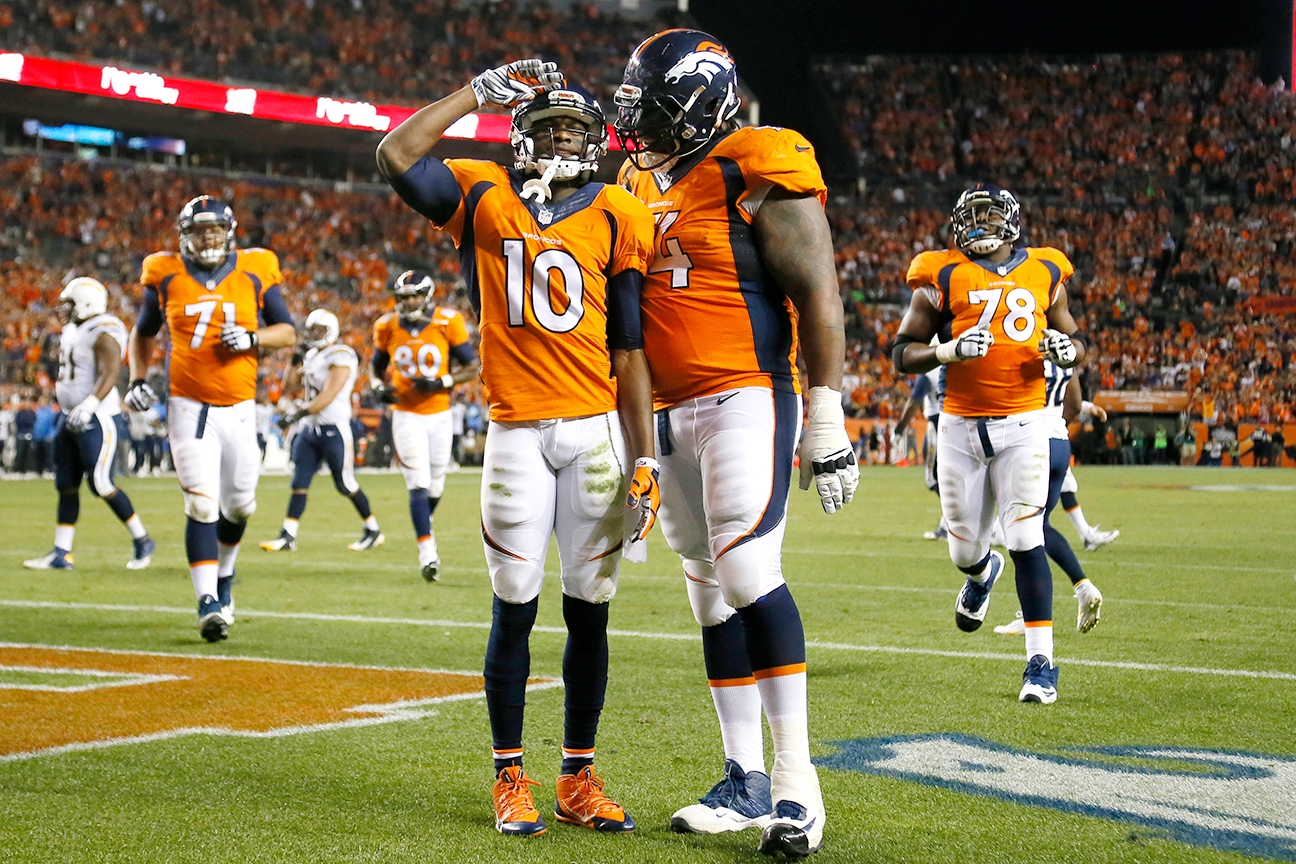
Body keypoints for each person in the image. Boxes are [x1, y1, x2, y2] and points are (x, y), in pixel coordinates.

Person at [378, 62, 660, 837]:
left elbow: (630, 350)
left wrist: (645, 458)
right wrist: (476, 91)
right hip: (515, 432)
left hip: (596, 430)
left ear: (598, 143)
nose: (562, 142)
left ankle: (577, 773)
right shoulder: (483, 193)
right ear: (520, 139)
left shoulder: (619, 213)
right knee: (513, 611)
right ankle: (509, 773)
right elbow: (396, 154)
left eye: (575, 131)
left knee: (590, 614)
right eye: (547, 130)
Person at [614, 30, 858, 859]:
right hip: (665, 410)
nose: (640, 127)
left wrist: (825, 412)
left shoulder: (760, 161)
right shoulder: (637, 176)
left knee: (749, 570)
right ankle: (743, 777)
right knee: (707, 592)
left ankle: (797, 784)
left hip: (742, 395)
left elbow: (819, 290)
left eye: (654, 111)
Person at [893, 183, 1085, 706]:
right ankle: (982, 574)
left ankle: (1041, 662)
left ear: (1012, 221)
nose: (980, 226)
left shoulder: (1046, 269)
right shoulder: (941, 273)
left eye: (989, 216)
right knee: (964, 550)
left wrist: (1068, 349)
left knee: (1025, 536)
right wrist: (947, 351)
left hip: (1025, 422)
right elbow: (900, 353)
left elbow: (1076, 341)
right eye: (970, 217)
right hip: (958, 426)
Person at [126, 195, 296, 642]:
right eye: (199, 231)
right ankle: (207, 602)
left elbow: (287, 331)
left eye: (215, 230)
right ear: (184, 236)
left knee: (240, 505)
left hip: (240, 407)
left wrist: (252, 337)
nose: (208, 238)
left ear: (229, 232)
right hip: (188, 406)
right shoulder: (163, 273)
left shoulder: (256, 267)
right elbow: (142, 334)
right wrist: (137, 379)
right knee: (201, 503)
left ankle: (224, 577)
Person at [24, 278, 156, 571]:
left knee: (101, 483)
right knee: (66, 484)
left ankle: (143, 539)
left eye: (70, 303)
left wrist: (89, 405)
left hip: (97, 417)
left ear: (86, 302)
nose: (65, 309)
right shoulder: (74, 328)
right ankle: (61, 553)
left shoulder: (105, 329)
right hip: (69, 415)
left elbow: (110, 373)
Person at [367, 270, 479, 580]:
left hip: (440, 413)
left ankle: (422, 527)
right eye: (403, 297)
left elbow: (471, 366)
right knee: (417, 482)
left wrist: (441, 381)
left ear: (427, 296)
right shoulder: (387, 326)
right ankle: (427, 552)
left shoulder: (447, 321)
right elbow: (375, 369)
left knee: (436, 485)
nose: (409, 302)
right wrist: (378, 387)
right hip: (406, 414)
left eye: (414, 296)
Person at [261, 309, 384, 553]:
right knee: (299, 481)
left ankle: (373, 529)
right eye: (312, 329)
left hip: (334, 429)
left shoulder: (341, 353)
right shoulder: (312, 355)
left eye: (320, 330)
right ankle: (288, 535)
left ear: (331, 331)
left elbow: (329, 394)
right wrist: (296, 359)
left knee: (345, 484)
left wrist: (297, 414)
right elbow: (289, 386)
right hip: (309, 429)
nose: (314, 334)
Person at [994, 370, 1105, 635]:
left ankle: (1031, 613)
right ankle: (1083, 585)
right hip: (1059, 441)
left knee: (1020, 531)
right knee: (1038, 526)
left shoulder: (1020, 334)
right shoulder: (1063, 341)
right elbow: (1075, 404)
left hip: (1030, 442)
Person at [893, 361, 947, 540]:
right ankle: (951, 522)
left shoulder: (929, 370)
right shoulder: (954, 364)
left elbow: (915, 402)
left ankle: (954, 522)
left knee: (933, 479)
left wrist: (900, 428)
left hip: (939, 426)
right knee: (954, 477)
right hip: (959, 423)